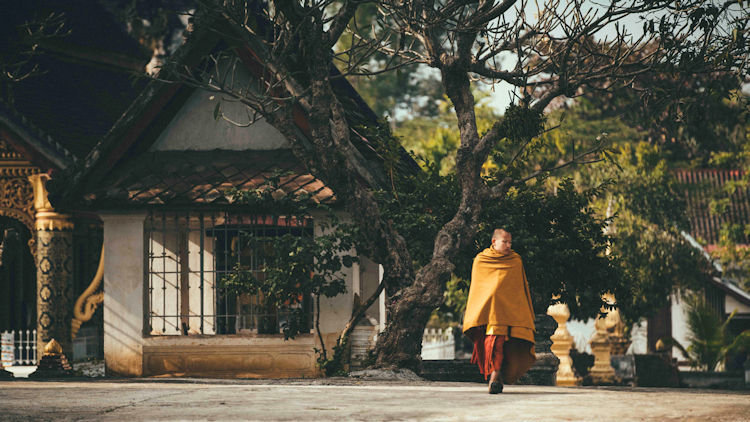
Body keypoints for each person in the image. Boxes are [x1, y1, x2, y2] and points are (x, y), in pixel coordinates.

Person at [462, 228, 536, 394]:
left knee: (503, 344)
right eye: (505, 242)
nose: (508, 245)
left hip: (509, 314)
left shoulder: (515, 260)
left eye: (510, 242)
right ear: (494, 242)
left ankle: (496, 374)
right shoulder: (481, 260)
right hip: (488, 314)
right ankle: (495, 374)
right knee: (493, 344)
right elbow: (478, 289)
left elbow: (518, 290)